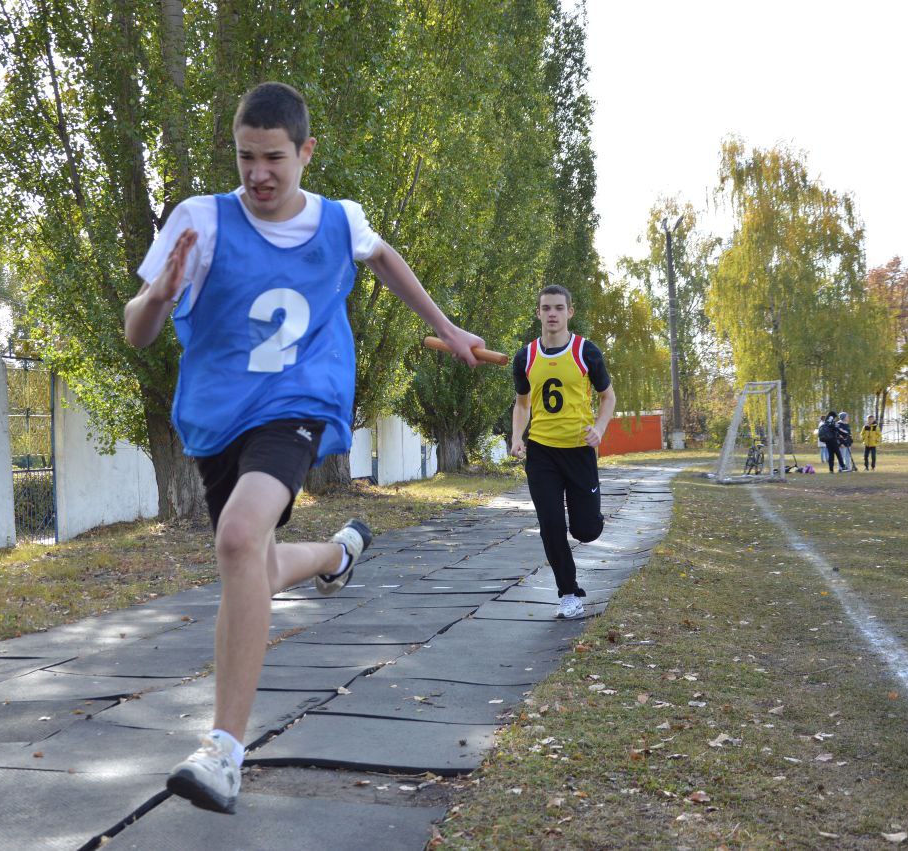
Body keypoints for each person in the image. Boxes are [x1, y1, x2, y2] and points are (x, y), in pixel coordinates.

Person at [123, 82, 486, 814]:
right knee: (253, 561)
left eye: (274, 159)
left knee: (235, 537)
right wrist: (158, 293)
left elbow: (383, 259)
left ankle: (224, 750)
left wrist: (447, 328)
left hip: (298, 404)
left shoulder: (338, 220)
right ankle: (335, 554)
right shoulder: (201, 220)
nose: (258, 173)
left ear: (305, 153)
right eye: (245, 156)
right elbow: (137, 332)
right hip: (220, 415)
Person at [509, 285, 616, 620]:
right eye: (546, 308)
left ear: (570, 312)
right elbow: (522, 403)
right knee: (551, 524)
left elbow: (608, 397)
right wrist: (516, 437)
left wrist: (599, 428)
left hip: (580, 450)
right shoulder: (525, 357)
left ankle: (592, 518)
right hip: (542, 453)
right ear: (538, 313)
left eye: (558, 308)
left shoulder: (587, 352)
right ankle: (568, 593)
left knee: (585, 531)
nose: (552, 313)